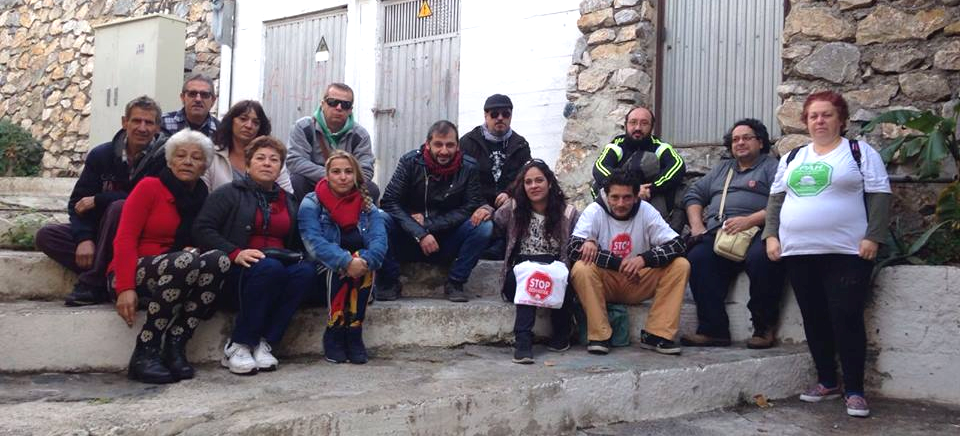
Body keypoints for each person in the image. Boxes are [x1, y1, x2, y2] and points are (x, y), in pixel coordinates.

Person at [763, 91, 891, 418]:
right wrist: (771, 236)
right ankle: (827, 381)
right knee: (814, 316)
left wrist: (873, 237)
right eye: (813, 116)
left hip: (847, 251)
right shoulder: (794, 157)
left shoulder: (859, 153)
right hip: (798, 251)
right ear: (806, 122)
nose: (819, 121)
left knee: (846, 316)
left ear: (841, 120)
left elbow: (879, 195)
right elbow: (776, 200)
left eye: (827, 115)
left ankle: (855, 390)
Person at [109, 129, 230, 384]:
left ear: (204, 165)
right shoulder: (149, 187)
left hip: (180, 271)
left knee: (218, 259)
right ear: (170, 160)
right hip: (132, 272)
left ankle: (176, 344)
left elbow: (200, 238)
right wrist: (125, 287)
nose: (188, 162)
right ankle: (146, 349)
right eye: (181, 155)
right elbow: (125, 239)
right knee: (183, 261)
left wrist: (193, 249)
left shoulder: (202, 196)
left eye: (196, 157)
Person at [193, 136, 315, 374]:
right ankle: (238, 344)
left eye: (274, 160)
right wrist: (234, 252)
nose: (267, 163)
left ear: (280, 168)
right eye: (260, 158)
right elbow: (202, 229)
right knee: (269, 268)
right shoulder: (229, 193)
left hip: (277, 266)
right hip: (238, 270)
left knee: (305, 272)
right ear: (248, 165)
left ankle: (264, 342)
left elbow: (297, 240)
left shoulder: (290, 201)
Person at [36, 96, 167, 306]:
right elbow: (78, 203)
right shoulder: (101, 155)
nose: (142, 128)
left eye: (149, 122)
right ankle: (107, 273)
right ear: (125, 122)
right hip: (101, 233)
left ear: (157, 127)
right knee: (47, 235)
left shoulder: (165, 160)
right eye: (136, 121)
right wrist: (84, 238)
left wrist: (100, 199)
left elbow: (146, 202)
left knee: (119, 207)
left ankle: (94, 283)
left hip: (139, 238)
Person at [681, 119, 785, 349]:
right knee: (699, 257)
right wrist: (697, 226)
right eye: (735, 139)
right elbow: (693, 194)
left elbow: (782, 201)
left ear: (760, 142)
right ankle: (713, 330)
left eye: (747, 138)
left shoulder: (772, 167)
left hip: (759, 230)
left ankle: (763, 329)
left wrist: (749, 220)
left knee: (762, 259)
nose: (740, 143)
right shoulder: (722, 169)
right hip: (721, 232)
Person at [568, 169, 689, 356]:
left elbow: (677, 244)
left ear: (636, 196)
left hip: (638, 281)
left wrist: (643, 259)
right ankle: (599, 335)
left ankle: (657, 334)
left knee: (680, 265)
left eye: (627, 197)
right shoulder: (595, 211)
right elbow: (574, 248)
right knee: (581, 267)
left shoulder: (646, 210)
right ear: (606, 195)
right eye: (615, 197)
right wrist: (619, 263)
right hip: (605, 282)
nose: (621, 203)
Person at [378, 120, 491, 302]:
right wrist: (420, 233)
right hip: (409, 237)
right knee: (379, 219)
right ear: (428, 144)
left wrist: (429, 224)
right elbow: (389, 202)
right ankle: (389, 281)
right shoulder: (410, 162)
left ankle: (455, 282)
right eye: (438, 144)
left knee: (484, 227)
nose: (444, 151)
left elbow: (471, 206)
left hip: (447, 239)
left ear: (458, 146)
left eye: (450, 145)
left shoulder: (469, 167)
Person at [298, 150, 387, 364]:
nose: (343, 177)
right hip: (323, 273)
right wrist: (346, 262)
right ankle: (335, 330)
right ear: (327, 175)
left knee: (362, 258)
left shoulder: (367, 205)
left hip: (361, 274)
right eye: (336, 172)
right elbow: (313, 243)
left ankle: (354, 331)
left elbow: (380, 240)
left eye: (348, 171)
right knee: (339, 262)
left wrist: (364, 260)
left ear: (356, 175)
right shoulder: (312, 202)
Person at [494, 159, 578, 364]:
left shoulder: (568, 213)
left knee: (562, 279)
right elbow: (494, 221)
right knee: (530, 278)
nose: (534, 186)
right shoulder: (513, 208)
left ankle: (561, 334)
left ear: (550, 183)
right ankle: (523, 342)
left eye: (539, 180)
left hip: (554, 268)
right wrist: (484, 209)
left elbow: (583, 236)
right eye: (528, 182)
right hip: (520, 271)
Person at [460, 94, 532, 259]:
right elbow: (463, 181)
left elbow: (526, 176)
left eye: (505, 114)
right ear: (486, 115)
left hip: (508, 205)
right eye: (494, 114)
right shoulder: (468, 142)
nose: (500, 118)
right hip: (477, 203)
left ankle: (504, 244)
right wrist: (482, 205)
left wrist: (510, 193)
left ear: (511, 116)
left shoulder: (520, 144)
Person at [591, 106, 685, 225]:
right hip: (621, 199)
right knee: (597, 186)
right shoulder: (617, 145)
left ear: (651, 127)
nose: (638, 128)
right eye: (633, 122)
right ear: (625, 125)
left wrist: (651, 188)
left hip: (651, 199)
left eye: (644, 123)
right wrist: (632, 189)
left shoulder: (659, 146)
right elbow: (600, 168)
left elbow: (678, 165)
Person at [286, 83, 379, 202]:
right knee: (297, 181)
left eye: (345, 104)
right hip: (313, 185)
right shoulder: (303, 127)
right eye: (332, 102)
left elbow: (366, 170)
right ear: (322, 104)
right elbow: (295, 161)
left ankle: (350, 214)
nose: (339, 108)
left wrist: (344, 180)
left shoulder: (360, 135)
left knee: (371, 189)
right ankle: (304, 214)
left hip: (347, 188)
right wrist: (332, 176)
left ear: (350, 110)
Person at [205, 100, 293, 193]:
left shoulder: (271, 158)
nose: (249, 126)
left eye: (256, 122)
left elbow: (287, 194)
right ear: (231, 121)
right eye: (243, 119)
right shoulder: (212, 155)